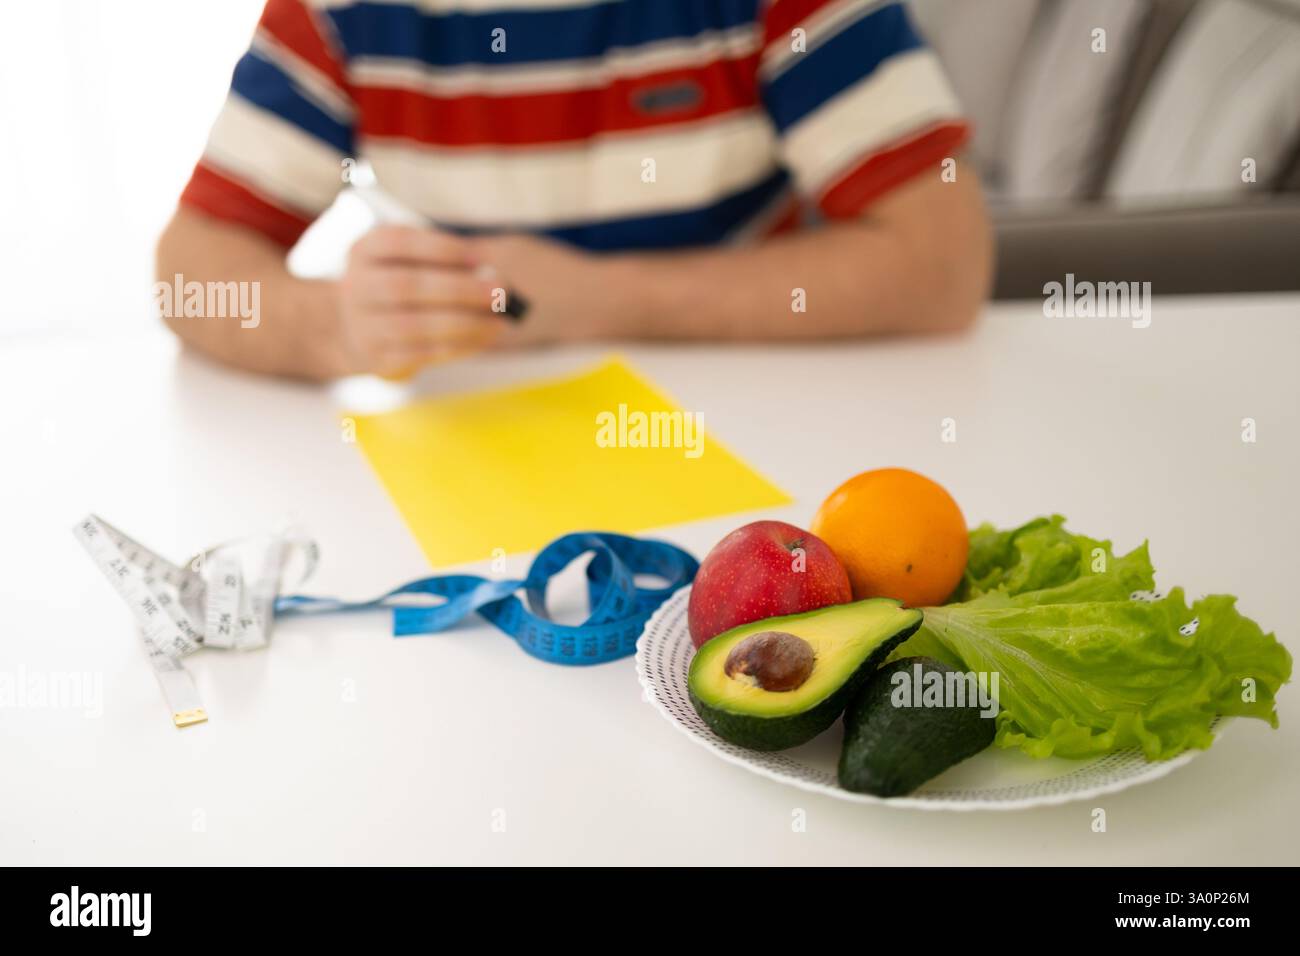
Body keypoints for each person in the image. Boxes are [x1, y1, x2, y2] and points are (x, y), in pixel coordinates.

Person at [157, 0, 992, 381]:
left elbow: (944, 263)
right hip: (480, 445)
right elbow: (190, 273)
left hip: (766, 429)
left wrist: (595, 299)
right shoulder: (337, 14)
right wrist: (331, 326)